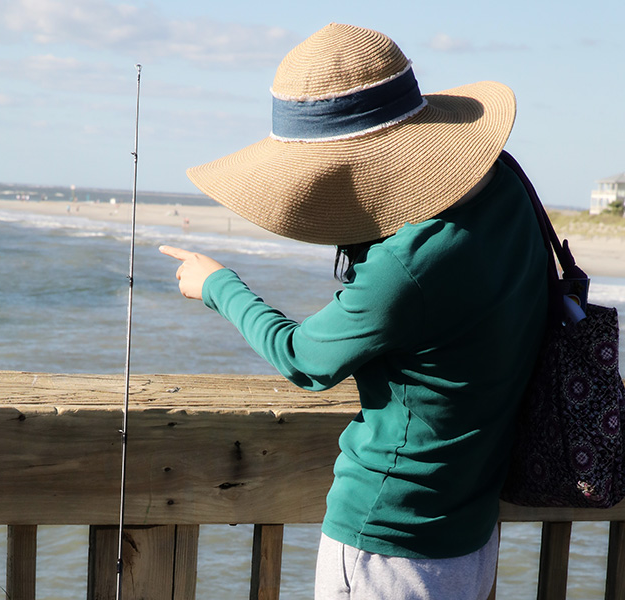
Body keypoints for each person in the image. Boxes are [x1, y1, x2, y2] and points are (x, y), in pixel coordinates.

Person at [160, 24, 548, 600]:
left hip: (389, 544)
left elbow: (305, 358)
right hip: (473, 535)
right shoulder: (506, 189)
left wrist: (219, 285)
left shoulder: (406, 267)